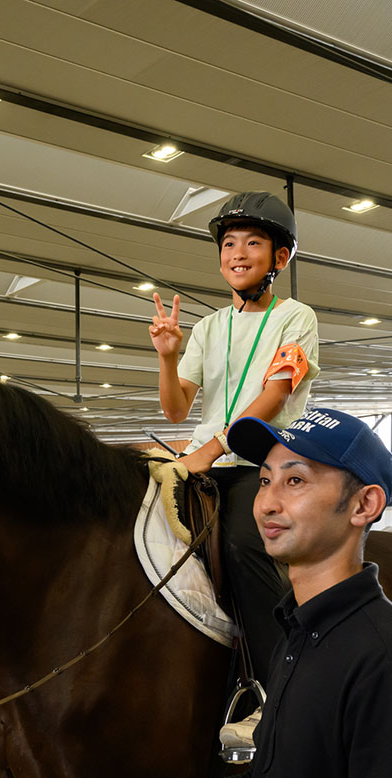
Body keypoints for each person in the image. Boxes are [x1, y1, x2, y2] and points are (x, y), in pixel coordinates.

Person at [62, 408, 392, 778]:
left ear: (364, 505)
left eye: (295, 480)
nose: (265, 504)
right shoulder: (297, 635)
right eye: (265, 480)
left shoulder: (387, 662)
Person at [149, 191, 319, 689]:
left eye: (252, 243)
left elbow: (276, 392)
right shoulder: (208, 327)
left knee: (244, 545)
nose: (237, 254)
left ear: (279, 258)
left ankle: (279, 687)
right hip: (202, 462)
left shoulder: (297, 317)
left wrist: (213, 448)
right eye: (228, 244)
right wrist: (166, 356)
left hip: (267, 465)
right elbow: (176, 407)